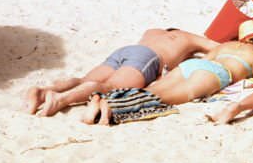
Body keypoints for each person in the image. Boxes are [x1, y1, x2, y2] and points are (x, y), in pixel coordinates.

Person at [82, 22, 253, 125]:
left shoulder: (228, 45)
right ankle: (109, 106)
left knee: (153, 89)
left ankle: (101, 99)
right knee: (161, 98)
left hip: (194, 65)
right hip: (217, 73)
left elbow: (208, 56)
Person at [27, 28, 218, 116]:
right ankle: (60, 99)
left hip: (127, 51)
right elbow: (217, 47)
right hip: (149, 57)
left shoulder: (152, 32)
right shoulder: (186, 37)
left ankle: (44, 91)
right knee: (111, 87)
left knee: (84, 80)